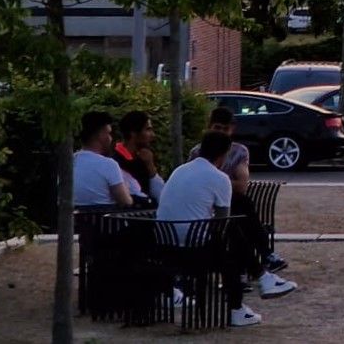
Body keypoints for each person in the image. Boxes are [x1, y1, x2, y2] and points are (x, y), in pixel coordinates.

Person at [159, 130, 267, 328]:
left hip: (164, 244)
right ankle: (239, 304)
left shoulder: (179, 171)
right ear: (224, 155)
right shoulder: (219, 178)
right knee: (232, 241)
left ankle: (262, 275)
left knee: (231, 238)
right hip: (193, 249)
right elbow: (222, 221)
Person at [191, 108, 293, 284]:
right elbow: (195, 186)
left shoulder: (239, 151)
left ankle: (245, 269)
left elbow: (242, 185)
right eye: (217, 128)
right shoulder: (197, 152)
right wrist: (221, 182)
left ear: (232, 130)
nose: (221, 133)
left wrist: (215, 181)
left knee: (238, 208)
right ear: (209, 128)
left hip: (229, 203)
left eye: (225, 129)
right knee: (237, 213)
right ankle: (263, 257)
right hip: (206, 206)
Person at [72, 110, 133, 209]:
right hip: (103, 222)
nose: (111, 138)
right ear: (100, 135)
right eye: (109, 133)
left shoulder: (69, 162)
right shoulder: (108, 165)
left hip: (71, 221)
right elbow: (125, 202)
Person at [114, 111, 164, 207]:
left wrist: (150, 166)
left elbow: (161, 195)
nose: (153, 135)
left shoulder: (145, 158)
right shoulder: (116, 162)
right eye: (148, 130)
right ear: (133, 133)